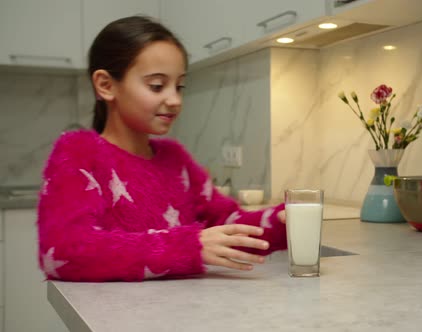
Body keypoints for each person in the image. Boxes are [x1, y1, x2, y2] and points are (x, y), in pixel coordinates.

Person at [37, 16, 287, 282]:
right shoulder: (78, 152)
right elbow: (64, 252)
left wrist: (284, 222)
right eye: (157, 86)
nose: (175, 99)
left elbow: (228, 224)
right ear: (106, 85)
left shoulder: (175, 159)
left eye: (179, 86)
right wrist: (188, 247)